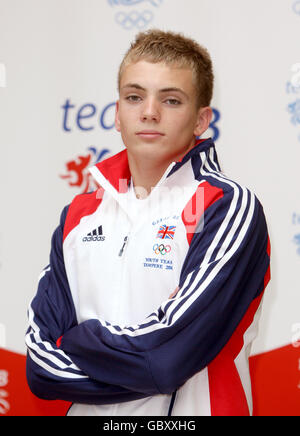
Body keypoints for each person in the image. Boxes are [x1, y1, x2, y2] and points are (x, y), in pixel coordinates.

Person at [25, 29, 271, 416]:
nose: (149, 111)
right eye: (134, 97)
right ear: (118, 114)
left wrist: (77, 338)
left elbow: (168, 361)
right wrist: (147, 351)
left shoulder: (225, 206)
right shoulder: (78, 214)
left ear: (201, 120)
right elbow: (40, 369)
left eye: (171, 100)